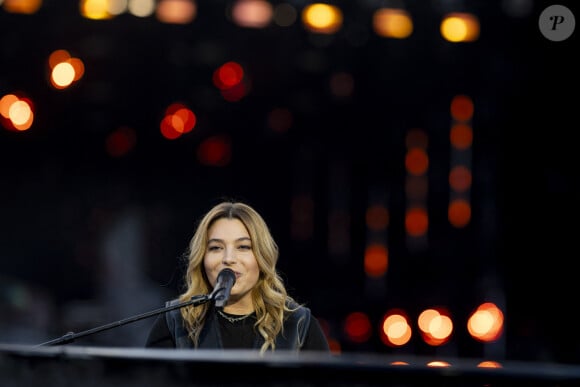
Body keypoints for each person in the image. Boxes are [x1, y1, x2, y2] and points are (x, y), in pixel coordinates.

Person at [145, 200, 330, 354]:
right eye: (216, 248)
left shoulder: (297, 324)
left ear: (261, 257)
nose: (228, 259)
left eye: (243, 247)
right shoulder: (176, 323)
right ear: (202, 258)